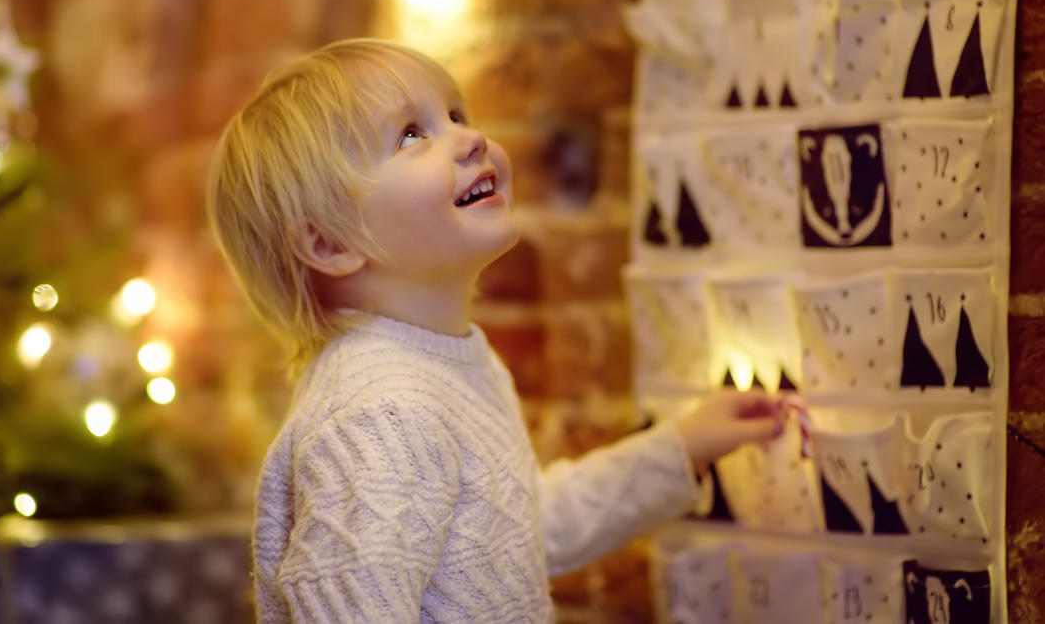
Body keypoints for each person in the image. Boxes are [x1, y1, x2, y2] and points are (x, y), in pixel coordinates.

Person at [208, 38, 786, 622]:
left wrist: (680, 450)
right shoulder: (379, 414)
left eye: (457, 115)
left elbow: (520, 528)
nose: (472, 137)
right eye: (412, 134)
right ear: (330, 243)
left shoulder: (449, 363)